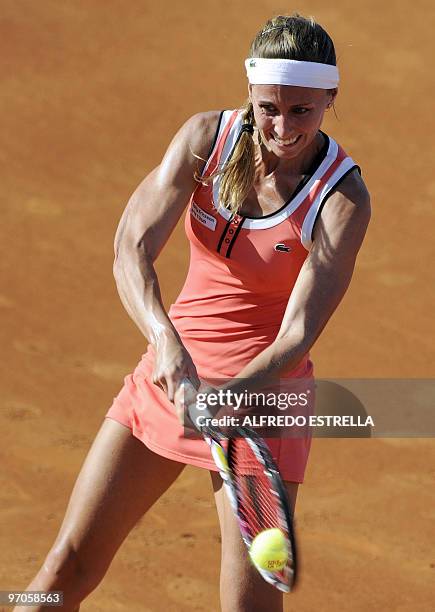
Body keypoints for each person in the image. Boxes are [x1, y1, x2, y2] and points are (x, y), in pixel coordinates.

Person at [15, 13, 370, 612]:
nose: (282, 127)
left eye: (303, 111)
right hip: (168, 381)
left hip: (260, 407)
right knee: (64, 568)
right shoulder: (206, 140)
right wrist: (167, 346)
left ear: (331, 97)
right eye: (268, 107)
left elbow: (298, 334)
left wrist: (229, 394)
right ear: (251, 93)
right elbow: (130, 249)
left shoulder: (341, 199)